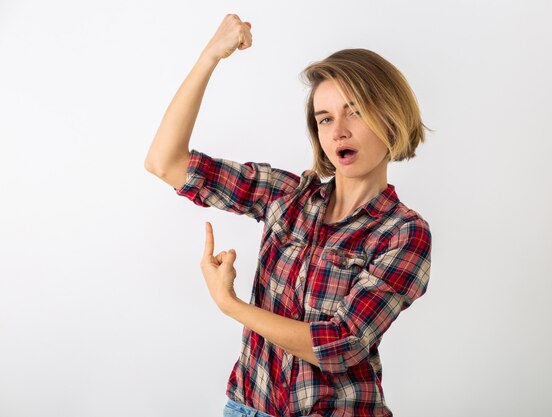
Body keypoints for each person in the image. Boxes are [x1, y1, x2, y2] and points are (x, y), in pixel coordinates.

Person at [145, 13, 432, 417]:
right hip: (246, 408)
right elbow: (165, 162)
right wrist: (211, 55)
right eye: (325, 119)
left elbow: (341, 345)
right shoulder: (287, 196)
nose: (338, 132)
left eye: (356, 112)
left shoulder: (403, 233)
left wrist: (230, 304)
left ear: (390, 116)